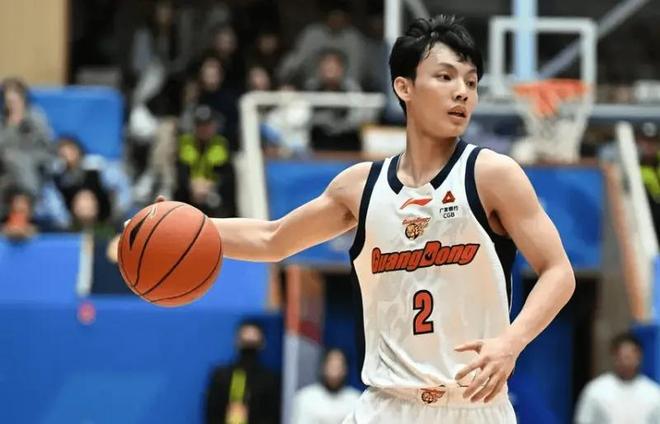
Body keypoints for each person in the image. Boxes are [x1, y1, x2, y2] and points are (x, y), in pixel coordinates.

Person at [141, 15, 575, 423]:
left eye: (471, 82)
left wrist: (511, 342)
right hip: (385, 406)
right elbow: (273, 239)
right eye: (445, 77)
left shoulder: (492, 175)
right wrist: (184, 225)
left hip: (472, 408)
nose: (462, 91)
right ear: (404, 87)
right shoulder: (361, 187)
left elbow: (559, 271)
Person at [574, 332, 660, 423]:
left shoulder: (653, 393)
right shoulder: (596, 390)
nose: (626, 362)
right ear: (614, 357)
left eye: (629, 357)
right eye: (622, 357)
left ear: (639, 357)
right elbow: (583, 420)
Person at [205, 320, 280, 424]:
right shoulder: (222, 376)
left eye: (252, 342)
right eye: (246, 341)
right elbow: (212, 413)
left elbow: (273, 415)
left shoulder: (270, 380)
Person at [291, 348, 361, 424]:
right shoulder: (305, 397)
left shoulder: (356, 399)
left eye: (338, 367)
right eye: (331, 366)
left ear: (345, 370)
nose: (335, 373)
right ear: (323, 367)